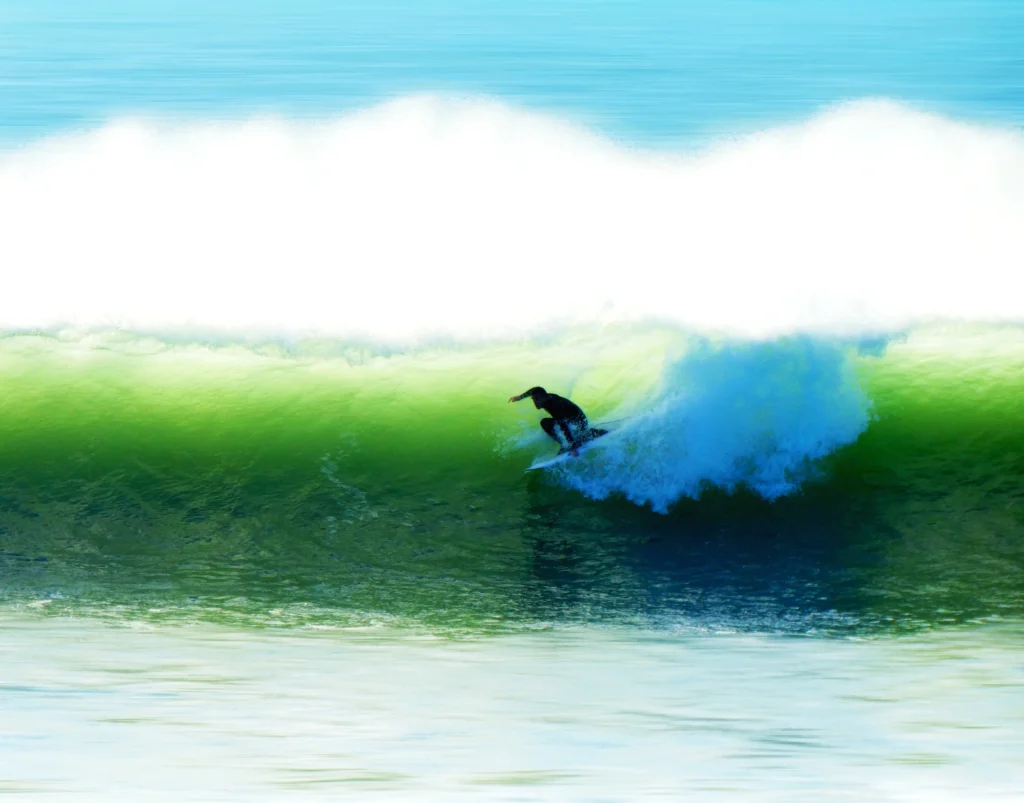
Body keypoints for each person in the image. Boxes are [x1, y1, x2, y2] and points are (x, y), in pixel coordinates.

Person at [508, 387, 605, 455]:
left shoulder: (554, 406)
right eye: (533, 399)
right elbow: (534, 389)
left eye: (537, 399)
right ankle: (584, 436)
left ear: (544, 397)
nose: (535, 402)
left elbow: (563, 426)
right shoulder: (545, 397)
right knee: (545, 423)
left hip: (579, 422)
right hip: (572, 419)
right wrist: (520, 397)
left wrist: (572, 447)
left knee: (546, 423)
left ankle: (583, 438)